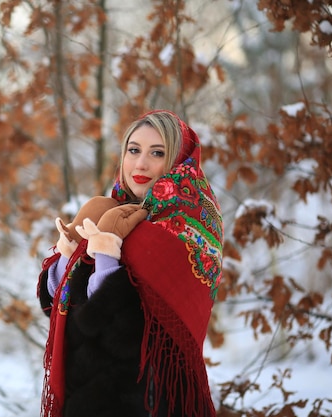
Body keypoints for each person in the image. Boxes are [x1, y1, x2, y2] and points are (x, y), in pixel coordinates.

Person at [37, 110, 223, 417]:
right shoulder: (111, 213)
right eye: (133, 150)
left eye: (157, 153)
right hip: (84, 396)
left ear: (179, 163)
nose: (141, 163)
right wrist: (69, 254)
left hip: (147, 398)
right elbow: (58, 307)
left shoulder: (185, 225)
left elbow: (122, 329)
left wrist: (107, 255)